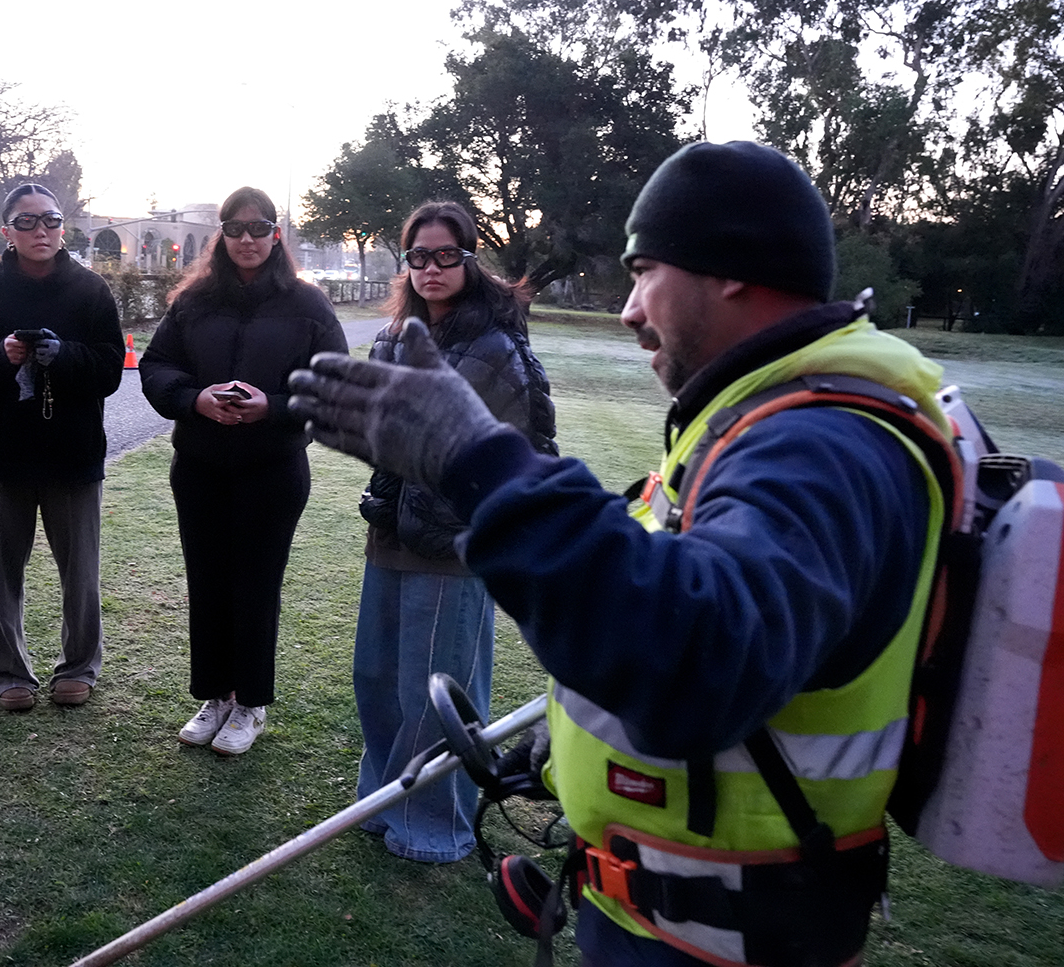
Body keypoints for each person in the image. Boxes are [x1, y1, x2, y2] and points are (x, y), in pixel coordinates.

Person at [291, 142, 948, 967]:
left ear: (733, 270)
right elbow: (682, 600)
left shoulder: (821, 443)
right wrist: (584, 741)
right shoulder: (768, 420)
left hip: (728, 940)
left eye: (643, 272)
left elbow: (699, 662)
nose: (631, 310)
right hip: (685, 917)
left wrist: (479, 461)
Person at [353, 202, 556, 863]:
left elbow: (508, 448)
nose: (431, 268)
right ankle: (383, 803)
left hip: (455, 542)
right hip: (393, 531)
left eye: (446, 255)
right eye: (418, 257)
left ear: (470, 259)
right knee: (377, 676)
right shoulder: (397, 335)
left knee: (435, 691)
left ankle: (435, 826)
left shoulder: (496, 347)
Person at [139, 186, 348, 756]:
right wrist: (195, 399)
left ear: (276, 233)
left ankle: (250, 702)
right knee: (207, 580)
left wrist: (272, 407)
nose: (248, 239)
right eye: (236, 229)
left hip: (271, 467)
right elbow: (157, 366)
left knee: (256, 584)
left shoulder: (307, 305)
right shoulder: (195, 300)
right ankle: (214, 694)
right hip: (202, 463)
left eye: (259, 229)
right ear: (222, 236)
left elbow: (334, 385)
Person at [0, 182, 124, 712]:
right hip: (1, 451)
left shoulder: (91, 290)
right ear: (7, 232)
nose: (39, 230)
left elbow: (111, 371)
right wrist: (3, 354)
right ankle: (7, 673)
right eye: (26, 222)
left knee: (81, 572)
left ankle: (79, 666)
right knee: (2, 573)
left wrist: (61, 354)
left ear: (63, 227)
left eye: (49, 220)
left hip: (72, 451)